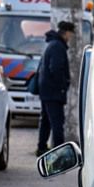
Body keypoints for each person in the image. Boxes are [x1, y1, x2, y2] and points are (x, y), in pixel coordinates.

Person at [37, 20, 75, 155]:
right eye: (71, 34)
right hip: (53, 91)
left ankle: (42, 148)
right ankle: (60, 153)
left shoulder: (52, 44)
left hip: (46, 90)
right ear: (66, 33)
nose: (71, 37)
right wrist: (63, 86)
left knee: (46, 120)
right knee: (57, 122)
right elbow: (56, 69)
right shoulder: (58, 47)